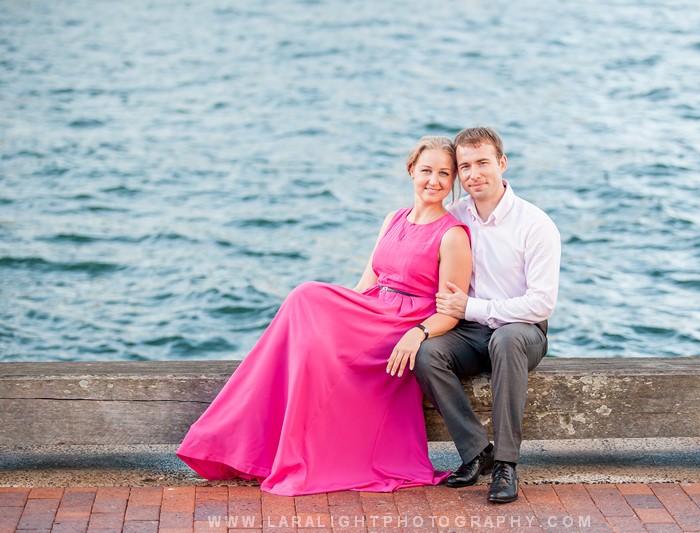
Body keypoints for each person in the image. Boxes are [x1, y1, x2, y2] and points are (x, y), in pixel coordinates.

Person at [176, 136, 472, 496]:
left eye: (444, 173)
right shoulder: (393, 219)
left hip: (404, 324)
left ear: (453, 180)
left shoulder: (453, 235)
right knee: (307, 313)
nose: (434, 181)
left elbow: (450, 312)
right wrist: (339, 318)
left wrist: (419, 333)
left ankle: (286, 454)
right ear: (411, 170)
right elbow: (367, 282)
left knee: (307, 301)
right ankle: (247, 448)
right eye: (427, 170)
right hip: (374, 309)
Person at [412, 127, 561, 504]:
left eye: (482, 163)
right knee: (426, 353)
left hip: (521, 332)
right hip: (469, 332)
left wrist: (476, 308)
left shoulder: (535, 224)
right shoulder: (456, 217)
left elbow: (541, 303)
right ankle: (477, 451)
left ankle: (507, 464)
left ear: (501, 163)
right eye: (465, 166)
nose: (474, 174)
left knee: (507, 339)